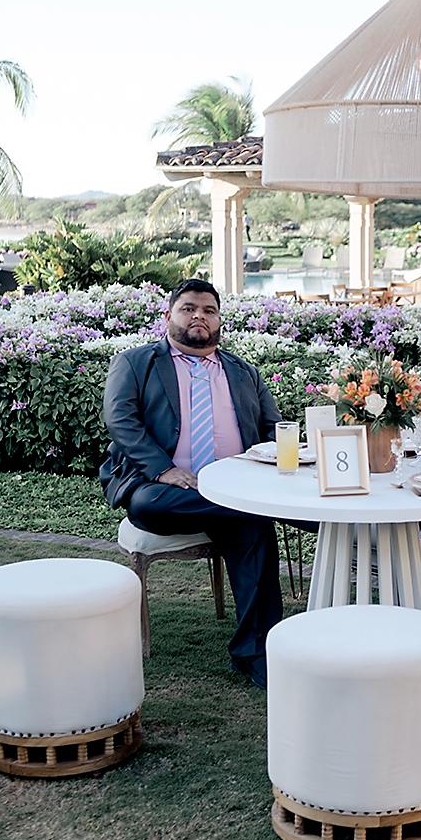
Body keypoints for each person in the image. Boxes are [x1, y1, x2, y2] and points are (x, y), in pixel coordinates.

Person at [100, 278, 283, 690]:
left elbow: (273, 427)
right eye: (188, 308)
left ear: (219, 321)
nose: (199, 316)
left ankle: (256, 655)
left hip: (236, 491)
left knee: (251, 525)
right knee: (149, 505)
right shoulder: (134, 363)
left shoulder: (243, 372)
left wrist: (275, 458)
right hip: (162, 488)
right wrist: (163, 468)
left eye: (209, 310)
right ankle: (273, 507)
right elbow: (120, 421)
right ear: (169, 316)